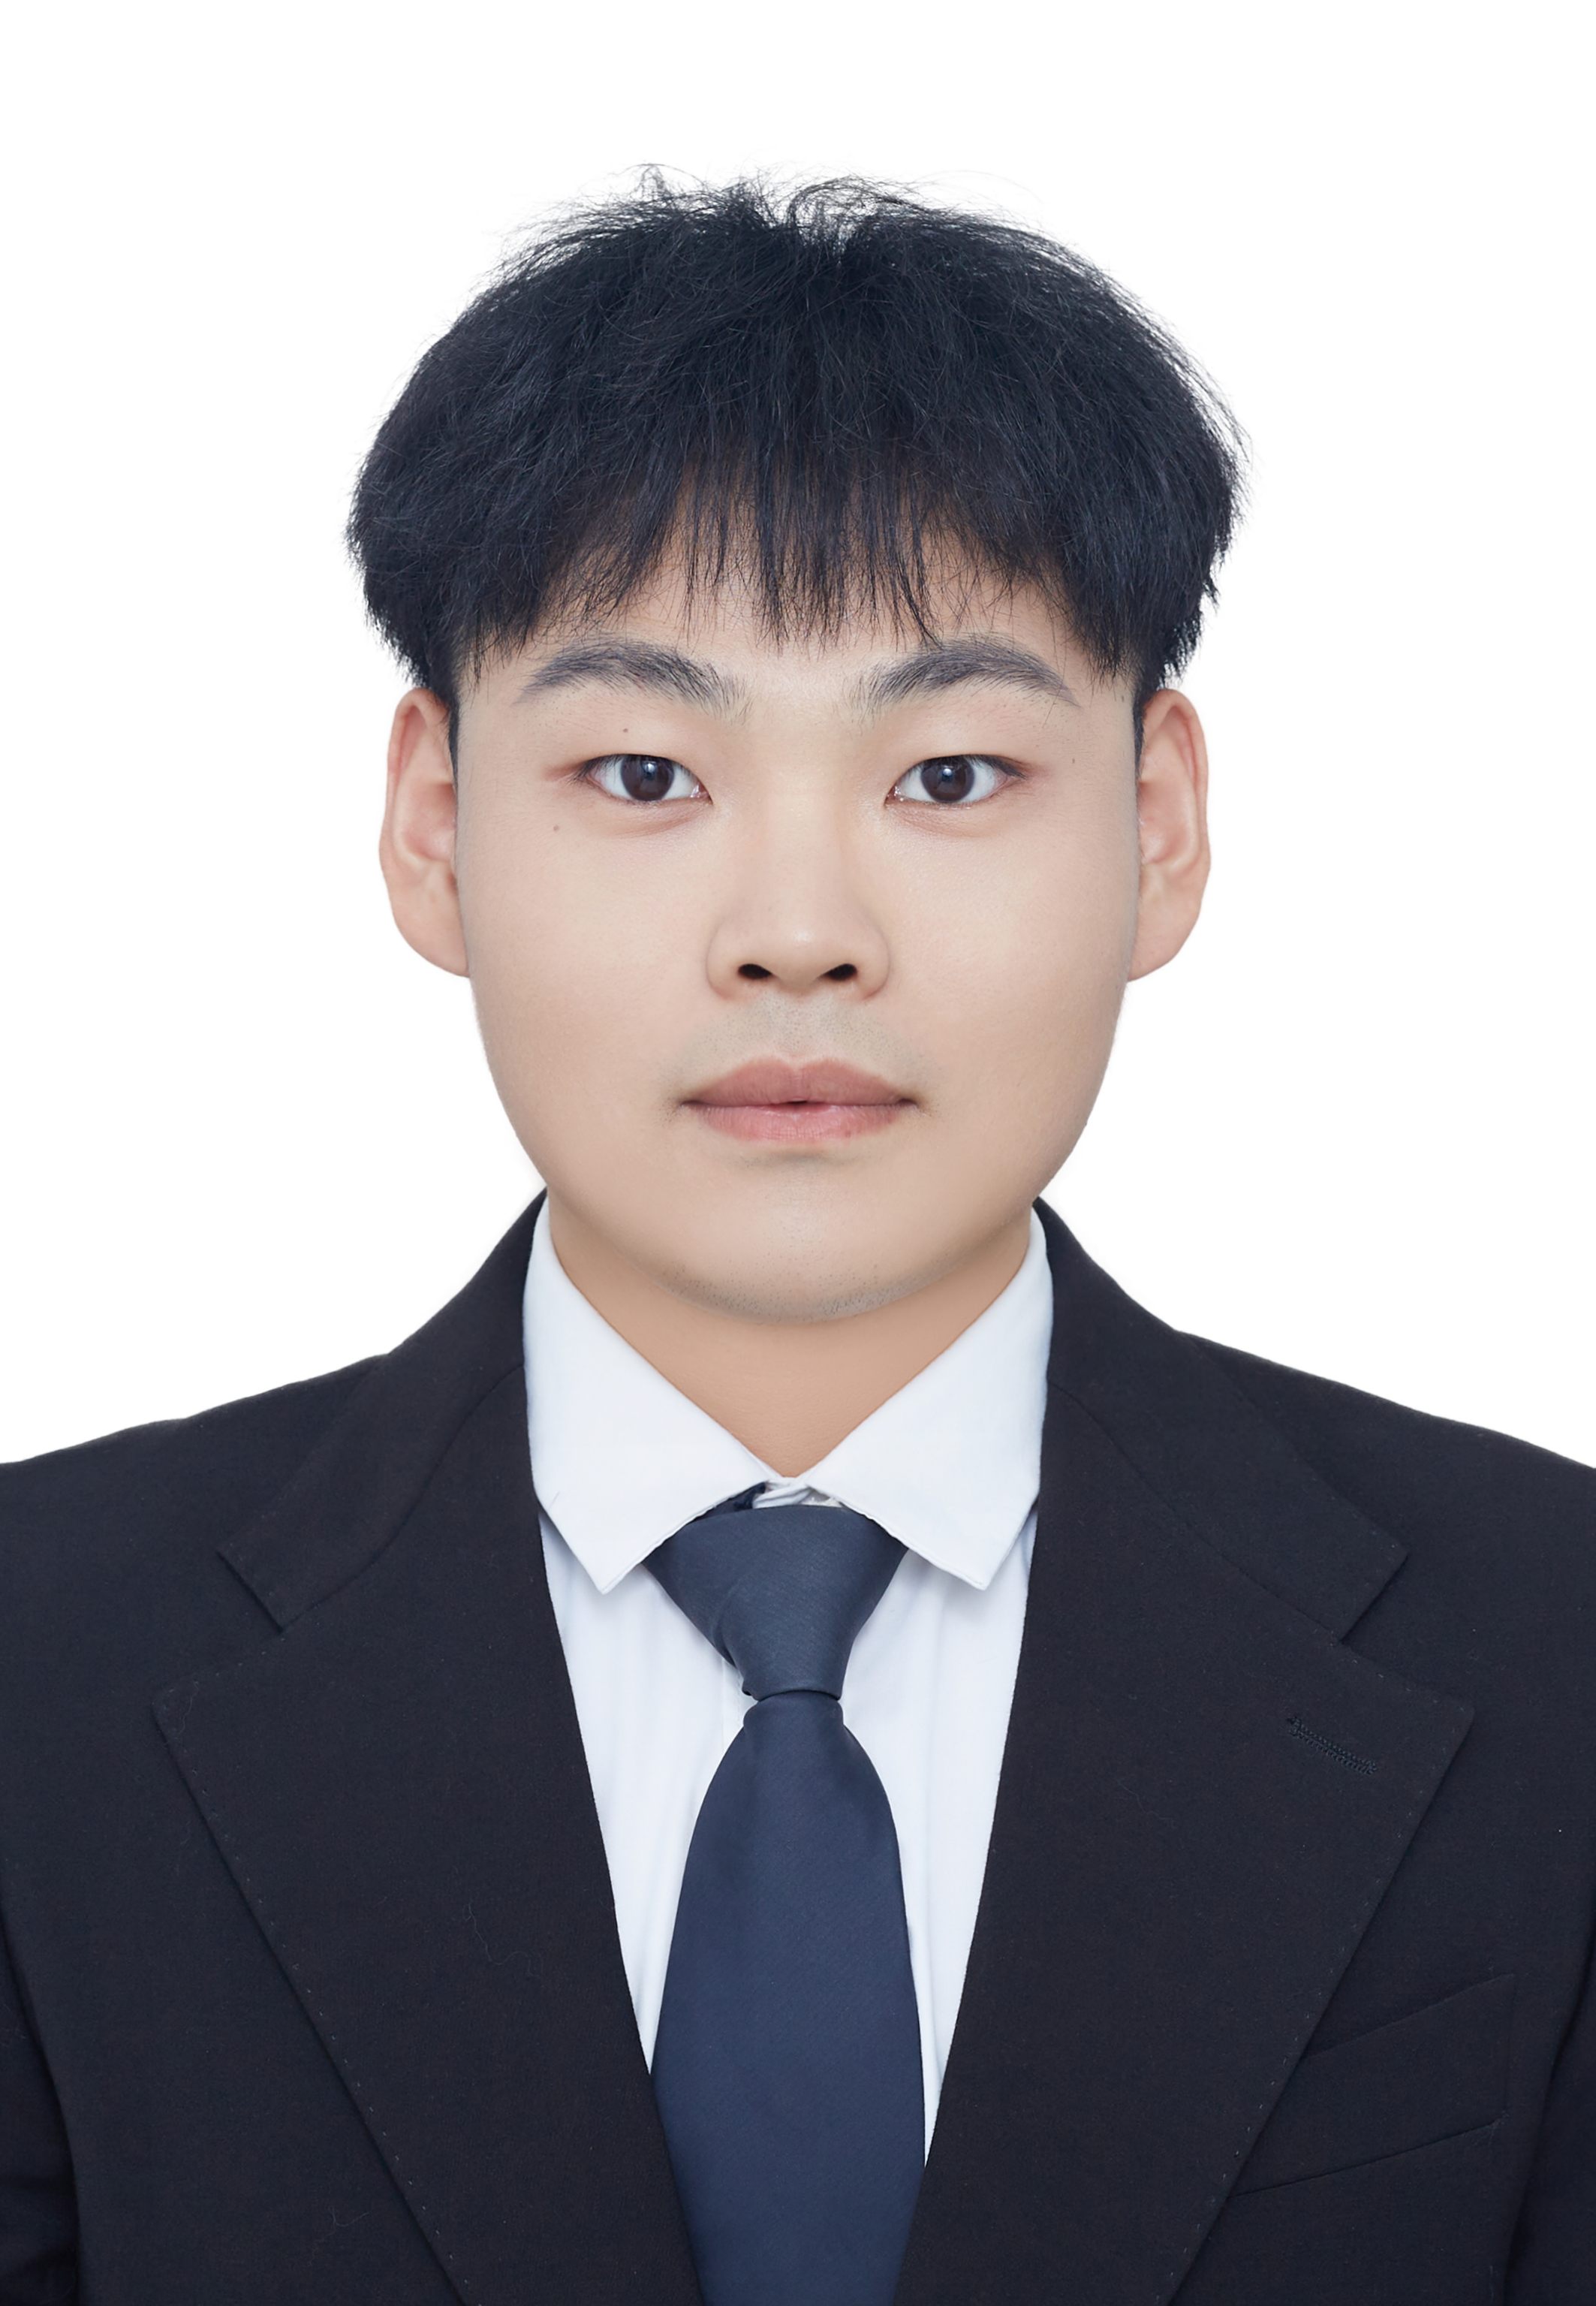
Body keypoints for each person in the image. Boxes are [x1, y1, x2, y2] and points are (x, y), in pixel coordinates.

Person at [1, 176, 1591, 2306]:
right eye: (643, 772)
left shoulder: (1552, 1652)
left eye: (951, 776)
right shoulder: (43, 1671)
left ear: (1158, 825)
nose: (799, 935)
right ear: (435, 825)